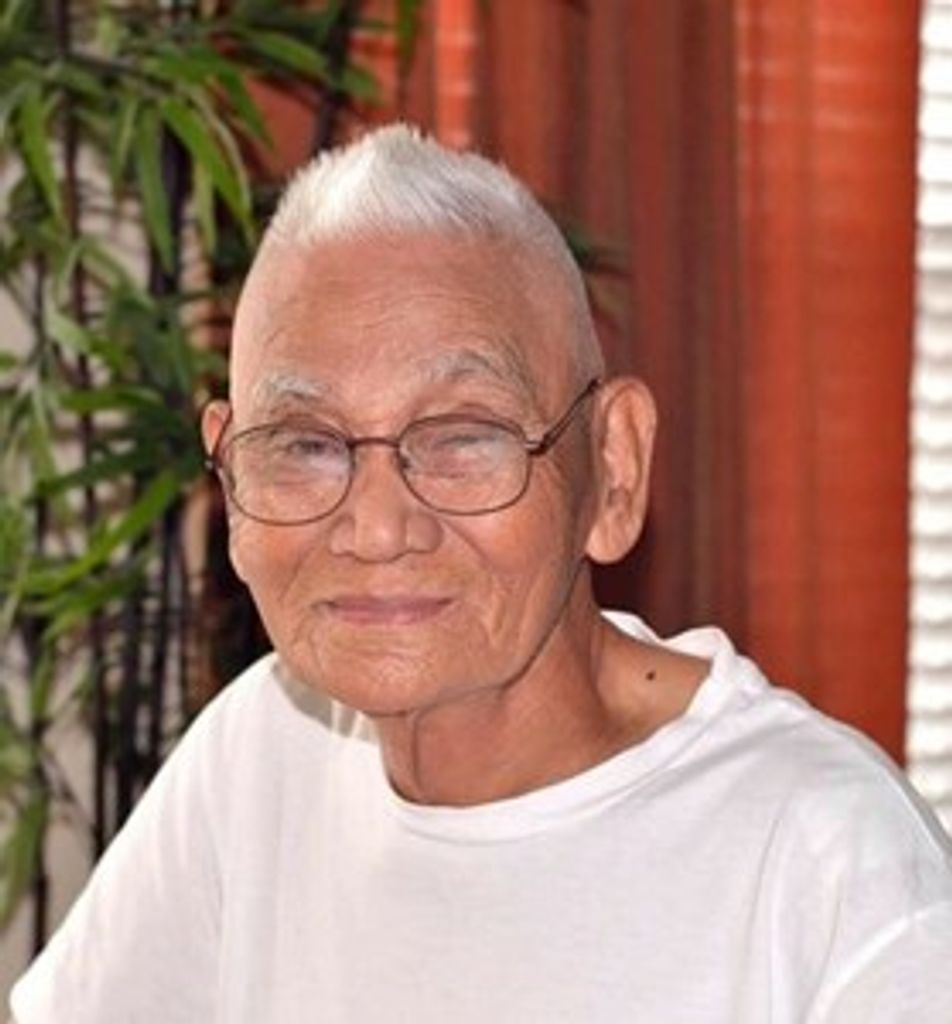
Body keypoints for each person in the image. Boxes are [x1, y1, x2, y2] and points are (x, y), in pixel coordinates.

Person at [9, 124, 952, 1024]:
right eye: (304, 444)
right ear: (228, 474)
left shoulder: (824, 859)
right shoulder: (265, 748)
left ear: (613, 468)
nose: (376, 528)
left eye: (464, 437)